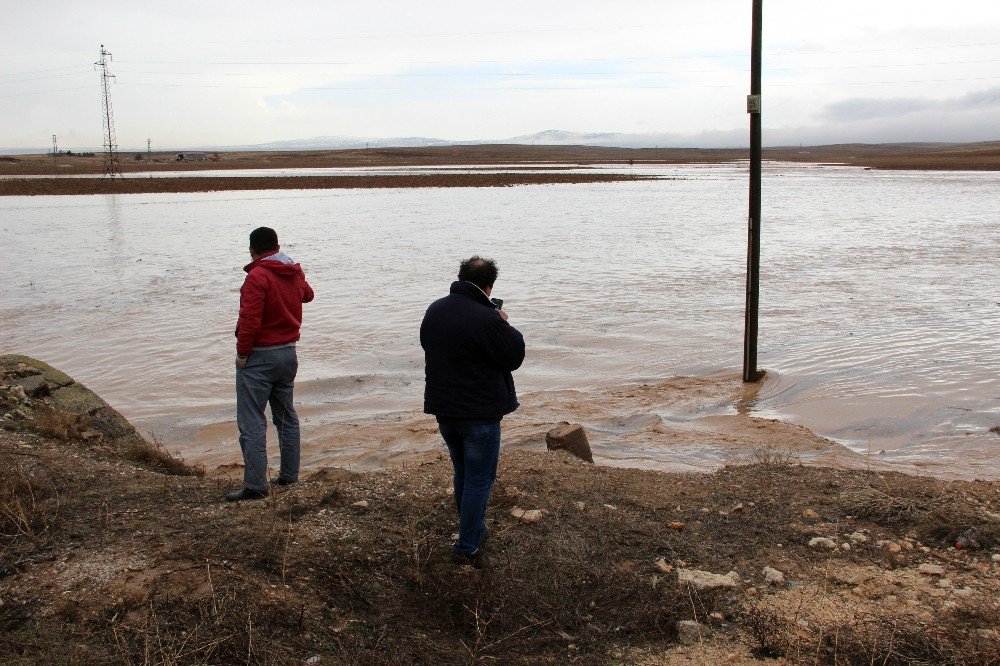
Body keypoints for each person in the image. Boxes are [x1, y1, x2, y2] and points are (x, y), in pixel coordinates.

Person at [420, 256, 526, 567]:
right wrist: (503, 322)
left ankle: (475, 529)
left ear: (461, 277)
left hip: (445, 409)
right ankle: (467, 547)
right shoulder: (488, 318)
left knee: (464, 473)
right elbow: (514, 355)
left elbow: (428, 344)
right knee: (479, 479)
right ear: (489, 284)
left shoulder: (435, 309)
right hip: (479, 412)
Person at [227, 227, 314, 502]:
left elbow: (250, 321)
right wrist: (295, 275)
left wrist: (242, 356)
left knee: (252, 420)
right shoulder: (291, 270)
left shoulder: (257, 276)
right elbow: (308, 295)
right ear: (276, 246)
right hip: (288, 353)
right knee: (286, 416)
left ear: (253, 250)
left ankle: (255, 486)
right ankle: (289, 476)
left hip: (260, 357)